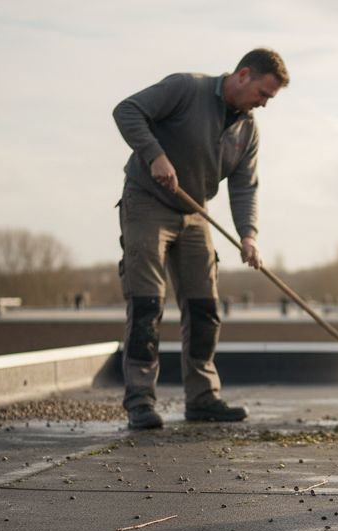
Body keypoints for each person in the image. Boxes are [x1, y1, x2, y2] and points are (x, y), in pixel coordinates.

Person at [112, 48, 289, 429]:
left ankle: (203, 397)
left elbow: (244, 186)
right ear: (243, 75)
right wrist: (154, 154)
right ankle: (141, 401)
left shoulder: (247, 130)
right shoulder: (185, 88)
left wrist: (248, 235)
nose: (264, 104)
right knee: (147, 305)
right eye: (263, 94)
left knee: (205, 307)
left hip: (195, 212)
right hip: (147, 203)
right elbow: (126, 110)